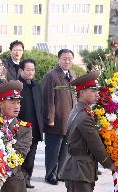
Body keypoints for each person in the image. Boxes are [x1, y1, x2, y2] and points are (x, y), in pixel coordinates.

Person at [42, 49, 77, 185]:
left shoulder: (72, 75)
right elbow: (48, 98)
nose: (67, 61)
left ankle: (61, 173)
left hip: (69, 118)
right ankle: (50, 174)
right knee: (53, 149)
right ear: (58, 60)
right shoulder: (52, 75)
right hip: (56, 119)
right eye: (64, 58)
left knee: (65, 149)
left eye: (69, 58)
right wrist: (50, 118)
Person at [17, 59, 44, 189]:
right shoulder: (17, 86)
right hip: (21, 127)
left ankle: (28, 178)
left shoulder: (36, 86)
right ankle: (19, 179)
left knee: (32, 154)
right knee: (22, 154)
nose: (30, 72)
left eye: (32, 70)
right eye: (28, 70)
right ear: (21, 70)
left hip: (35, 127)